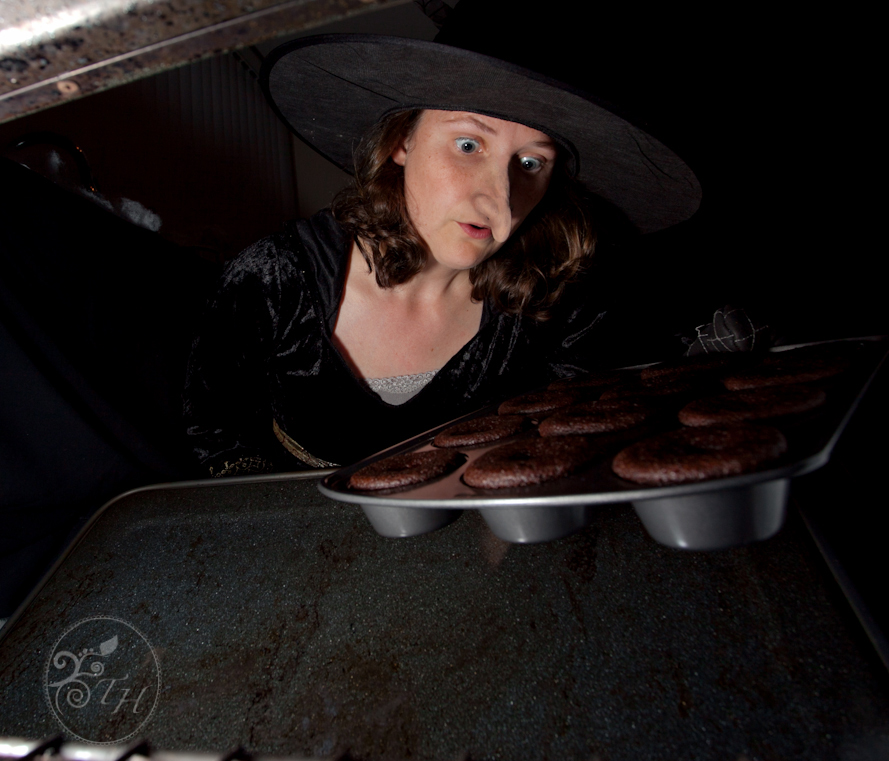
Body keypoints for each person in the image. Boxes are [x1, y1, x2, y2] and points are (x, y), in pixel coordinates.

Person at [183, 0, 702, 477]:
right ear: (402, 141)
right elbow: (220, 438)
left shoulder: (550, 297)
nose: (500, 199)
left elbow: (585, 427)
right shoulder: (276, 279)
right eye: (469, 144)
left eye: (530, 163)